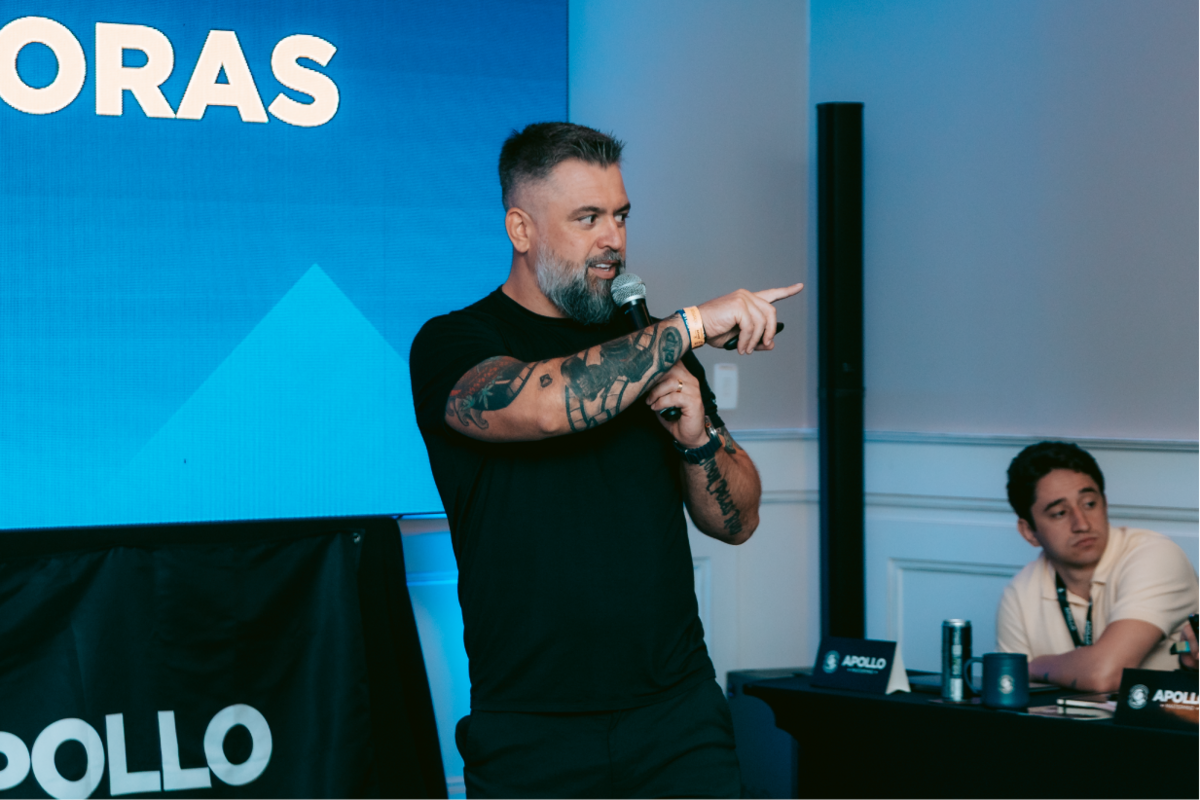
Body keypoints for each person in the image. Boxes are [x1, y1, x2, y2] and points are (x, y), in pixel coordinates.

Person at [408, 122, 803, 799]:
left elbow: (736, 522)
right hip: (532, 728)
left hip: (678, 716)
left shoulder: (652, 344)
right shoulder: (454, 342)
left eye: (620, 216)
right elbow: (541, 404)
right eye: (587, 218)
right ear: (521, 229)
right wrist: (692, 325)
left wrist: (697, 437)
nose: (613, 240)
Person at [997, 440, 1200, 692]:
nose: (1082, 524)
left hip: (1162, 718)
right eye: (1060, 513)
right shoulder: (1019, 593)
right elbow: (1008, 696)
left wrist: (1032, 667)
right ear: (1028, 531)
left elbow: (1104, 674)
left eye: (1089, 504)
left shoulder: (1155, 554)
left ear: (1104, 503)